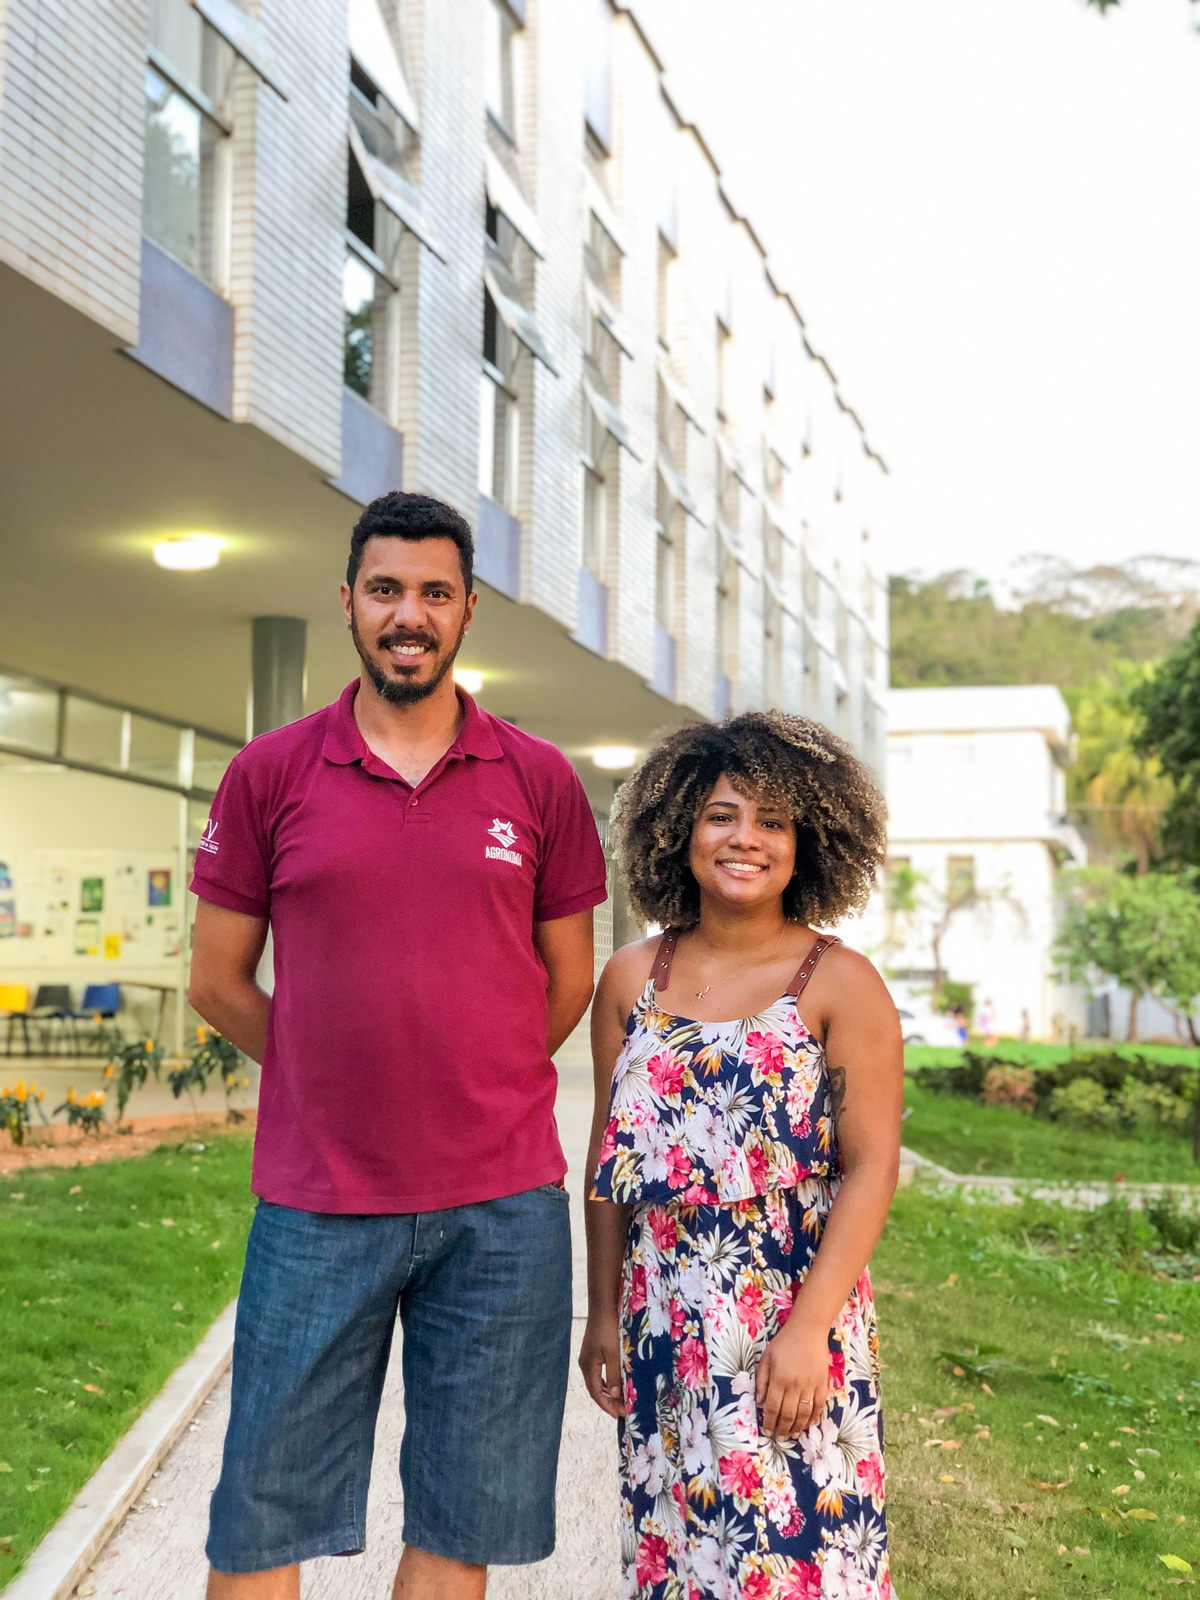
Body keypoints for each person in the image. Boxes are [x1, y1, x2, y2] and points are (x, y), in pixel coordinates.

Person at [188, 492, 608, 1600]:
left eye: (433, 592)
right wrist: (323, 1074)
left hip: (503, 1211)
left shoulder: (541, 780)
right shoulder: (270, 772)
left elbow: (567, 980)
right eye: (385, 590)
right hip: (318, 1203)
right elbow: (217, 981)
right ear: (348, 603)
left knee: (462, 1520)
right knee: (260, 1517)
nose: (407, 615)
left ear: (467, 609)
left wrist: (479, 1075)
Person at [579, 714, 902, 1600]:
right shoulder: (632, 978)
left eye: (773, 821)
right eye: (722, 815)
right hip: (662, 1318)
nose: (745, 839)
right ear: (680, 829)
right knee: (684, 1556)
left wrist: (810, 1330)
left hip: (791, 1313)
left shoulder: (840, 982)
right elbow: (610, 1158)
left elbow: (873, 1167)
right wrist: (602, 1311)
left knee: (799, 1560)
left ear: (808, 844)